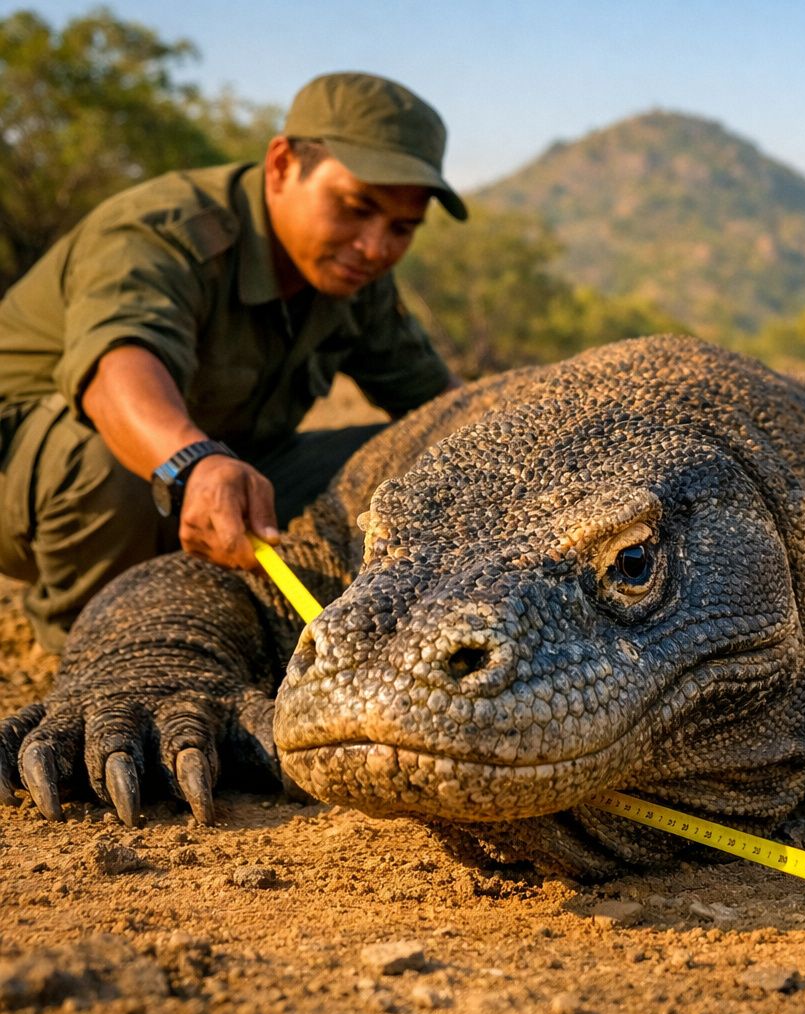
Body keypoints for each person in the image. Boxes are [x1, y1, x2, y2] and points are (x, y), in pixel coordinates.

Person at [0, 72, 468, 652]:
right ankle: (99, 645)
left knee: (426, 458)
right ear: (281, 165)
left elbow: (449, 409)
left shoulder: (357, 281)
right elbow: (115, 368)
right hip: (33, 490)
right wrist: (194, 464)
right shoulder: (164, 230)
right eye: (354, 207)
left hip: (208, 486)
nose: (375, 247)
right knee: (103, 454)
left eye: (402, 228)